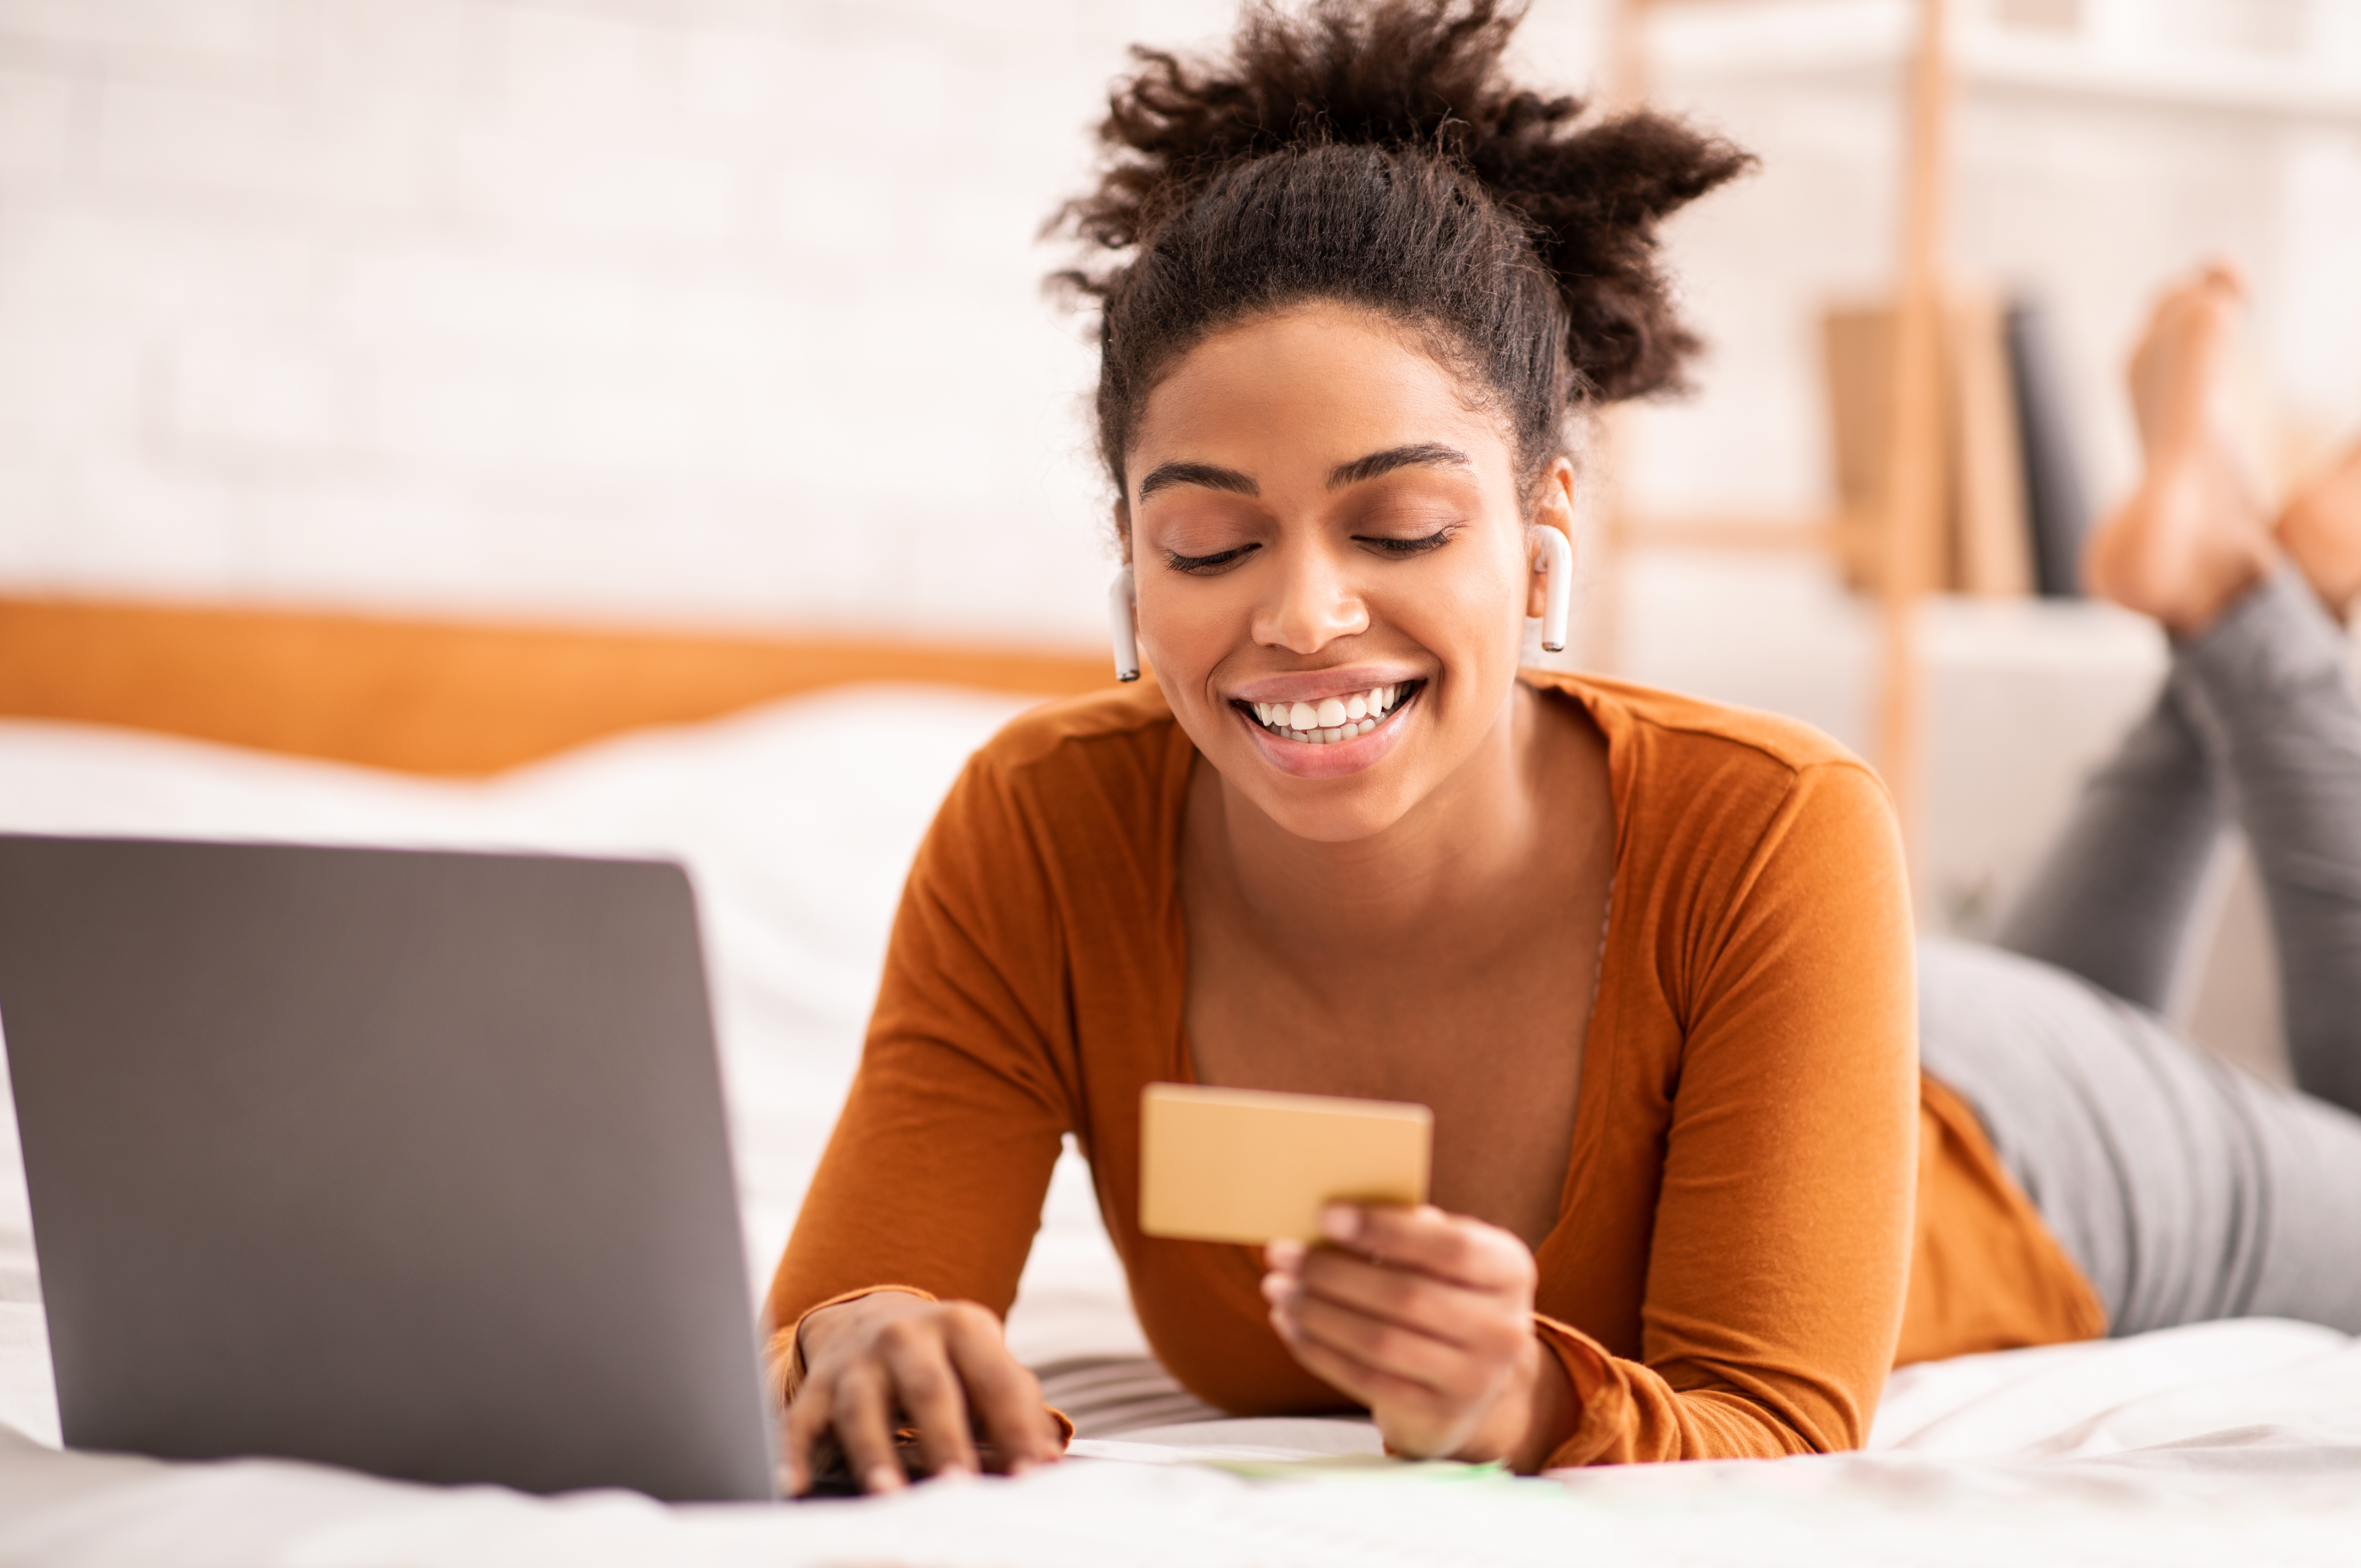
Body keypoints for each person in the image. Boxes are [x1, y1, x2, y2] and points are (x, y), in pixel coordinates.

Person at [766, 0, 2361, 1492]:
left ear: (1539, 550)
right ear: (1129, 561)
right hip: (1813, 1004)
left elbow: (1783, 1420)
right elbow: (818, 1326)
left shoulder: (1780, 824)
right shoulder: (1040, 833)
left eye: (1400, 527)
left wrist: (1527, 1402)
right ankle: (2225, 601)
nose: (1307, 616)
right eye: (1207, 546)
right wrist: (858, 1339)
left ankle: (2245, 612)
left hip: (2020, 1140)